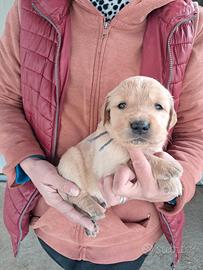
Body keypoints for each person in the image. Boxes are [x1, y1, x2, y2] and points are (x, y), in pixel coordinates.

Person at [0, 0, 203, 269]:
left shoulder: (189, 21)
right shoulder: (32, 6)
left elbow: (194, 131)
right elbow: (5, 102)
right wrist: (30, 162)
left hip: (129, 234)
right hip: (49, 219)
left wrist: (171, 188)